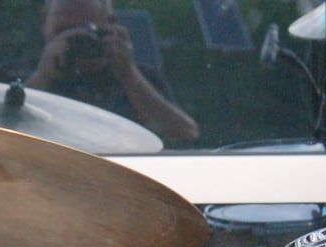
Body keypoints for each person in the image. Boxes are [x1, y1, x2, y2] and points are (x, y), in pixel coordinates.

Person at [27, 0, 199, 146]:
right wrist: (42, 77)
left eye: (86, 30)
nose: (76, 40)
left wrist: (129, 76)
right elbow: (11, 132)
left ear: (111, 25)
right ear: (45, 27)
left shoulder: (138, 78)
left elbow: (186, 134)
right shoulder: (21, 79)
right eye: (63, 31)